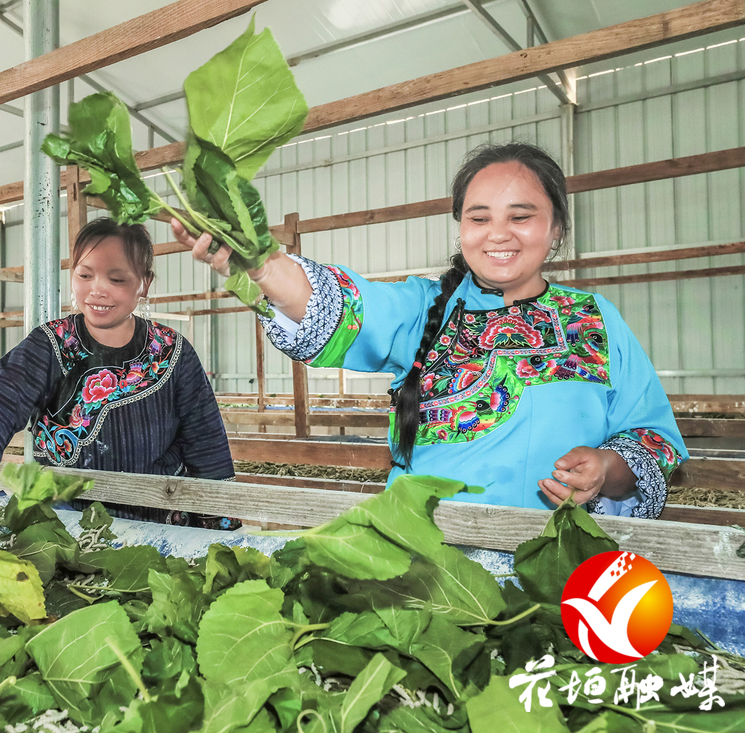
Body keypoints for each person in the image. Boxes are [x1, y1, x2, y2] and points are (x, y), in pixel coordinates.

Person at [174, 142, 687, 518]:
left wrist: (607, 467)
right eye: (478, 217)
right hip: (426, 567)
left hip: (561, 575)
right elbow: (341, 304)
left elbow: (654, 439)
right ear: (461, 228)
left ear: (556, 230)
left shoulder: (595, 320)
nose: (498, 234)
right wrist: (263, 263)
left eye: (522, 216)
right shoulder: (425, 310)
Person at [0, 217, 238, 540]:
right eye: (84, 275)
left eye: (116, 279)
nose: (97, 290)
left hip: (157, 536)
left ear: (144, 283)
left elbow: (208, 452)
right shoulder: (50, 346)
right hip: (61, 533)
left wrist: (222, 535)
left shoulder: (173, 353)